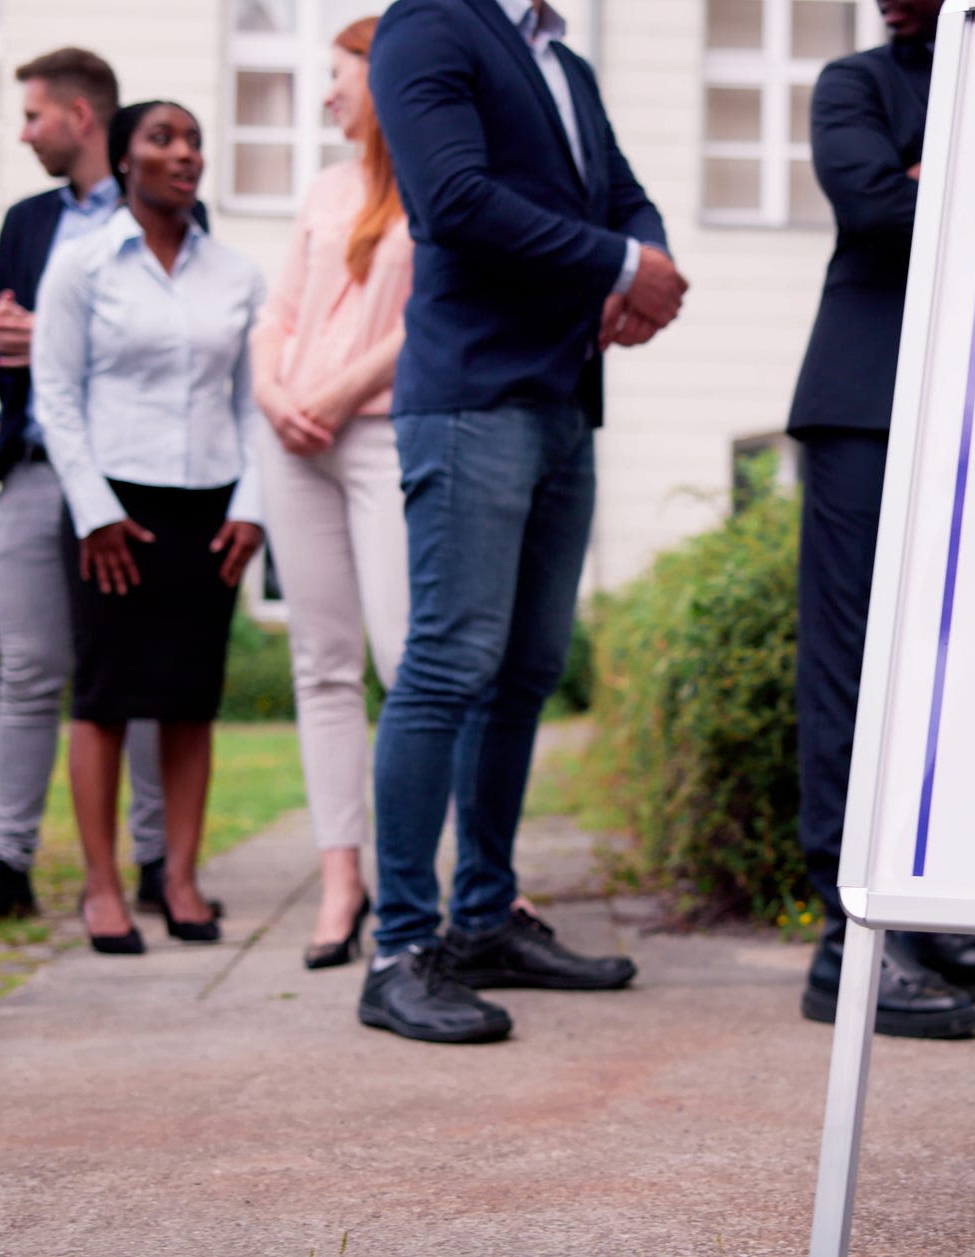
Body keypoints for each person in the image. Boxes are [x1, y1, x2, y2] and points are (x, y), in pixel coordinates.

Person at [361, 0, 686, 1043]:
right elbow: (453, 198)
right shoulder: (428, 26)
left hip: (560, 399)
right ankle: (400, 950)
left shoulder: (565, 61)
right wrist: (622, 268)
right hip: (470, 396)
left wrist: (648, 253)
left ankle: (486, 918)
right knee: (448, 666)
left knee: (524, 671)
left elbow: (623, 195)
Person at [787, 0, 975, 1038]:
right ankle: (849, 937)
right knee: (851, 668)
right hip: (863, 403)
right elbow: (871, 208)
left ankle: (939, 914)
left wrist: (933, 179)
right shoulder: (852, 83)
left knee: (962, 669)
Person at [0, 48, 188, 934]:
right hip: (39, 466)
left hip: (136, 486)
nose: (24, 131)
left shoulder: (160, 211)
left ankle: (160, 862)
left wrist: (51, 332)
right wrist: (8, 341)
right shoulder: (27, 220)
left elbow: (177, 336)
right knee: (30, 671)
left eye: (35, 115)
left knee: (147, 675)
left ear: (82, 118)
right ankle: (7, 859)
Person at [30, 100, 265, 955]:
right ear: (124, 157)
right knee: (103, 700)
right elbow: (54, 393)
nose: (185, 153)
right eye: (164, 139)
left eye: (196, 139)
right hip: (111, 507)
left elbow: (253, 403)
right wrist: (95, 513)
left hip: (208, 507)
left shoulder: (237, 274)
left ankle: (180, 876)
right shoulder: (83, 266)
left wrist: (250, 509)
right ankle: (101, 886)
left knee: (190, 702)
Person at [252, 17, 414, 970]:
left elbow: (432, 315)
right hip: (293, 439)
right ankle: (340, 879)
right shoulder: (323, 189)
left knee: (403, 660)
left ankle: (412, 874)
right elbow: (277, 316)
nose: (324, 97)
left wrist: (337, 391)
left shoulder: (432, 184)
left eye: (339, 77)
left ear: (382, 78)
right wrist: (277, 394)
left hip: (380, 432)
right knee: (321, 667)